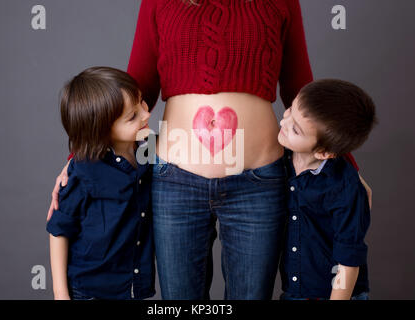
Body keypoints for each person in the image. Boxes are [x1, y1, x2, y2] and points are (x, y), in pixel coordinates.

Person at [48, 0, 372, 300]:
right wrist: (80, 158)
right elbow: (133, 91)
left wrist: (347, 164)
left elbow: (301, 90)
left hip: (259, 182)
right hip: (174, 180)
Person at [46, 66, 154, 300]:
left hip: (133, 287)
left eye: (142, 102)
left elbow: (175, 140)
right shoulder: (83, 169)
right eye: (132, 116)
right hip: (90, 290)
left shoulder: (150, 147)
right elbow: (59, 229)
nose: (146, 114)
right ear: (102, 131)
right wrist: (60, 293)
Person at [277, 79, 376, 300]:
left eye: (294, 128)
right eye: (290, 110)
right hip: (295, 290)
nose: (284, 123)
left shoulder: (346, 188)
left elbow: (348, 261)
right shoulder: (279, 159)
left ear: (323, 152)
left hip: (337, 293)